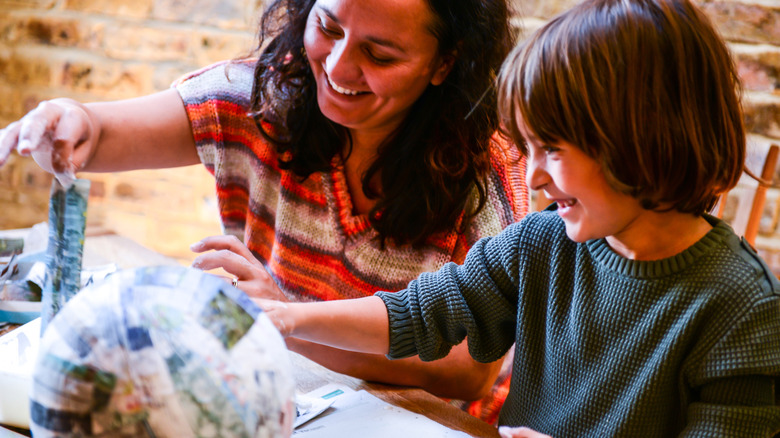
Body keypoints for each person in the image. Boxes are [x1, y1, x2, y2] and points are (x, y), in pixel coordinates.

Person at [254, 0, 780, 436]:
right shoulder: (542, 242)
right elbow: (420, 313)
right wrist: (289, 319)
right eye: (527, 147)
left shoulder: (744, 310)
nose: (532, 178)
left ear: (643, 140)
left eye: (551, 148)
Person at [0, 0, 527, 421]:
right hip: (281, 389)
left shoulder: (488, 168)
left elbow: (467, 373)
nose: (340, 66)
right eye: (328, 26)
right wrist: (70, 121)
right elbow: (103, 131)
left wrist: (288, 320)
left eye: (381, 55)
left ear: (445, 63)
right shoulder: (261, 95)